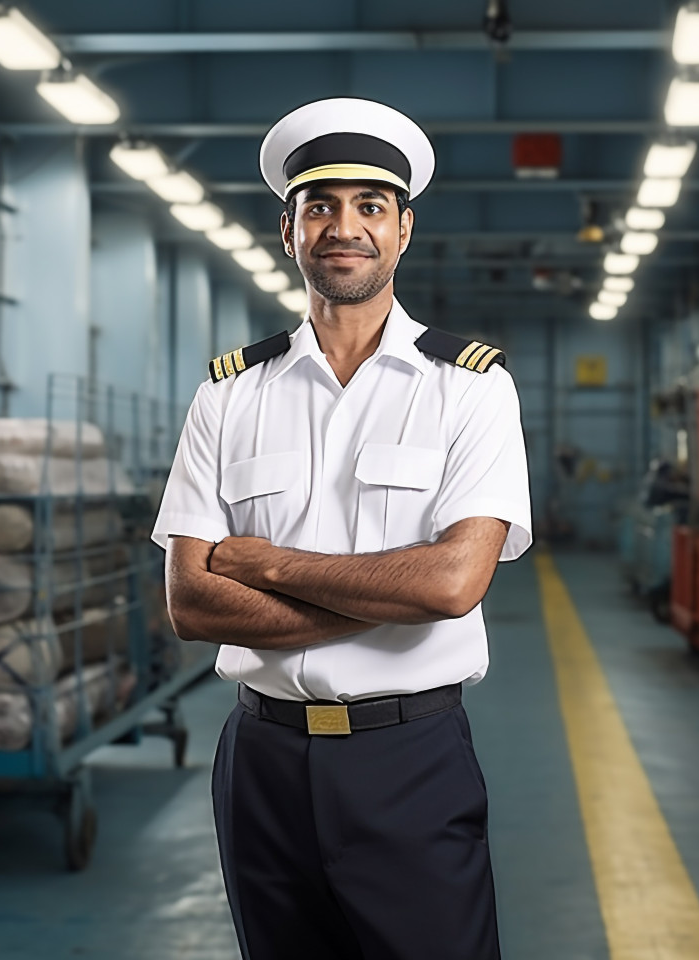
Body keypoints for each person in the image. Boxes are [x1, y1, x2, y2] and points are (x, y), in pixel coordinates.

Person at [152, 97, 532, 960]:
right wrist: (390, 593)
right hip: (262, 763)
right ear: (288, 231)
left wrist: (266, 564)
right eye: (320, 206)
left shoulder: (470, 388)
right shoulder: (228, 394)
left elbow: (452, 584)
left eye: (370, 206)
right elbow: (192, 604)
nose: (344, 227)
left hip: (410, 759)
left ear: (403, 229)